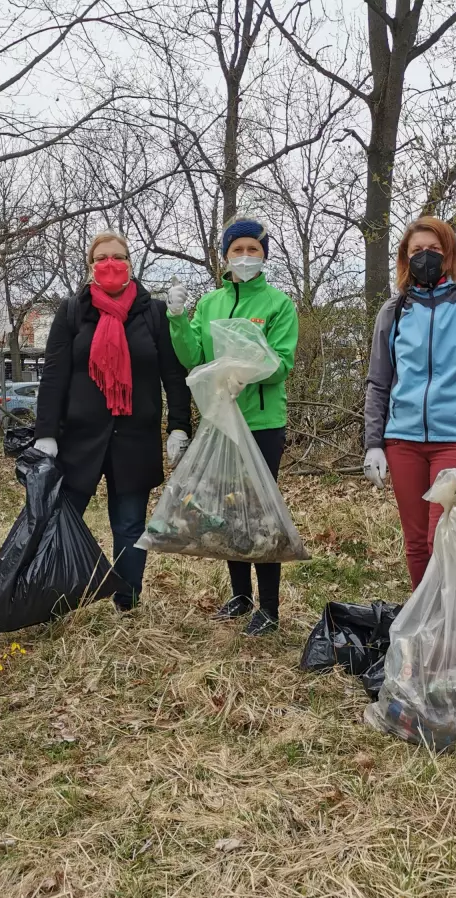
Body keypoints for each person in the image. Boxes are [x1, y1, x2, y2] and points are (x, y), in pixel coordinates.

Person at [32, 231, 192, 612]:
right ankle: (55, 598)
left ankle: (128, 601)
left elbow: (174, 374)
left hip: (135, 438)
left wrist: (179, 425)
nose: (109, 264)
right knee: (63, 521)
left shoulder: (152, 314)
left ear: (130, 264)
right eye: (101, 257)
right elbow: (53, 376)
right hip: (79, 438)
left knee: (130, 526)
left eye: (117, 257)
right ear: (90, 266)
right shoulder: (73, 311)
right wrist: (46, 434)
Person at [167, 218, 299, 636]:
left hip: (261, 422)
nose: (245, 256)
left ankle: (270, 607)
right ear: (224, 255)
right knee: (226, 510)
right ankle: (241, 597)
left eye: (253, 249)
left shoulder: (278, 304)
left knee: (260, 513)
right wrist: (175, 318)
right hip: (220, 420)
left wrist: (248, 372)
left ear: (264, 255)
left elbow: (282, 362)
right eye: (237, 249)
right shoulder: (210, 304)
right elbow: (193, 355)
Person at [363, 216, 456, 590]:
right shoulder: (394, 310)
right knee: (416, 542)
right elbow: (379, 381)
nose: (425, 257)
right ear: (405, 257)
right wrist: (374, 443)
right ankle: (426, 623)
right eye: (417, 250)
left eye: (434, 250)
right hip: (402, 441)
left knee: (444, 539)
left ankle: (451, 618)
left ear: (449, 253)